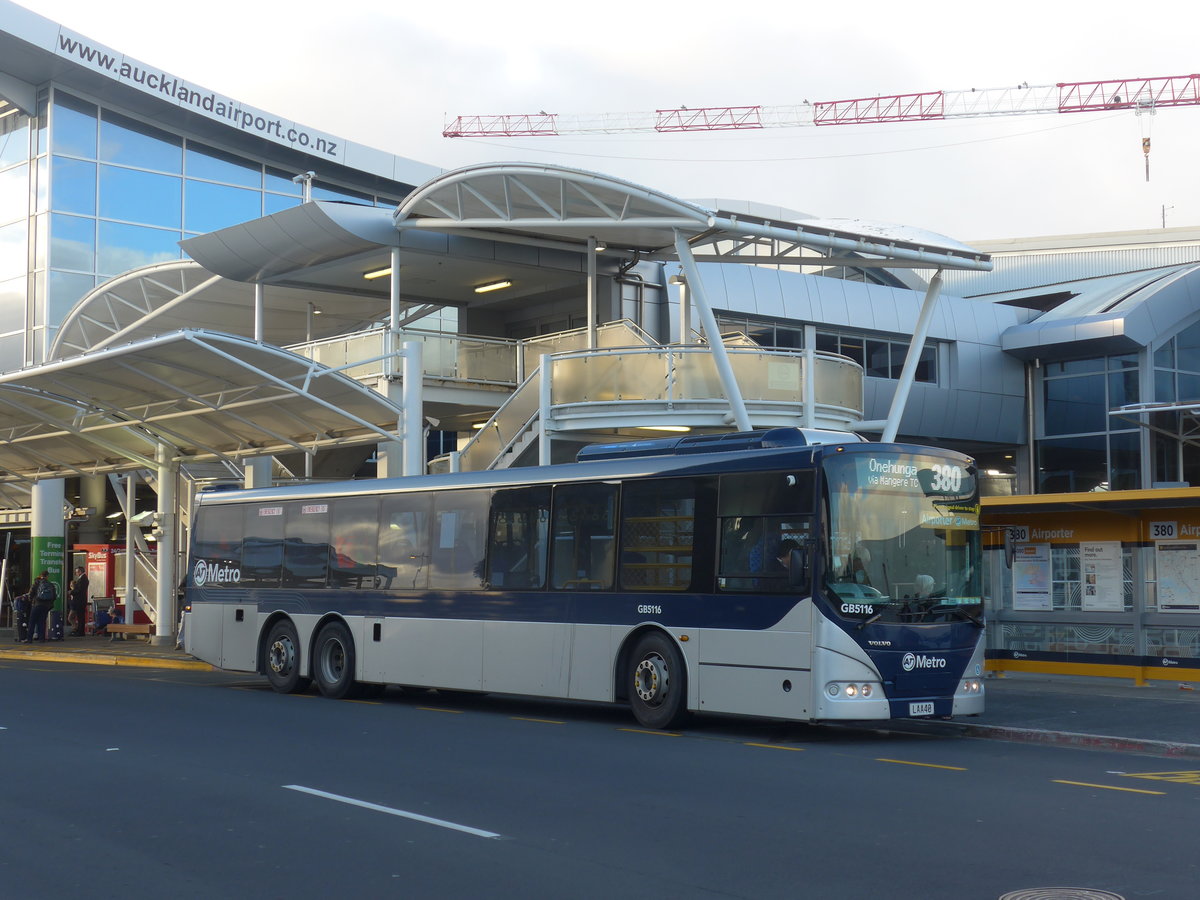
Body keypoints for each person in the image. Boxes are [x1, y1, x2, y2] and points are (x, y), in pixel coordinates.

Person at [23, 571, 55, 643]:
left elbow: (30, 594)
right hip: (45, 606)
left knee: (32, 622)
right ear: (47, 576)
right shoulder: (50, 584)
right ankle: (41, 639)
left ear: (40, 576)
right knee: (42, 622)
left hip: (36, 604)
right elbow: (54, 596)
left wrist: (31, 601)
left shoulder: (36, 583)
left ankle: (29, 639)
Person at [68, 566, 89, 637]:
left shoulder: (83, 579)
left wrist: (71, 592)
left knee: (80, 617)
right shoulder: (83, 578)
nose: (76, 573)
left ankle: (80, 632)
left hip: (80, 601)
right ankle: (79, 630)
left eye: (76, 572)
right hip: (81, 600)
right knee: (80, 617)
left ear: (80, 571)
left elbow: (79, 590)